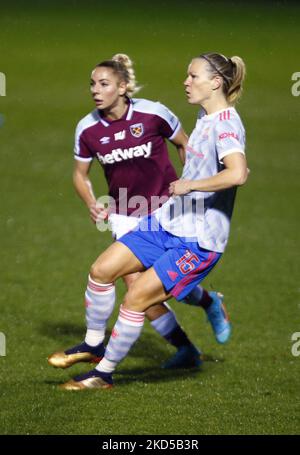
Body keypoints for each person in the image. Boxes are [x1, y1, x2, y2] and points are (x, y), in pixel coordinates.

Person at [48, 53, 231, 377]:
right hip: (124, 213)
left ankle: (208, 303)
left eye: (103, 83)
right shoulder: (88, 128)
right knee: (137, 289)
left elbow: (185, 144)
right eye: (92, 84)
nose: (95, 90)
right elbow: (80, 174)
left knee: (161, 287)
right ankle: (186, 348)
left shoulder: (153, 113)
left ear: (122, 86)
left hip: (166, 209)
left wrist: (191, 188)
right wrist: (92, 201)